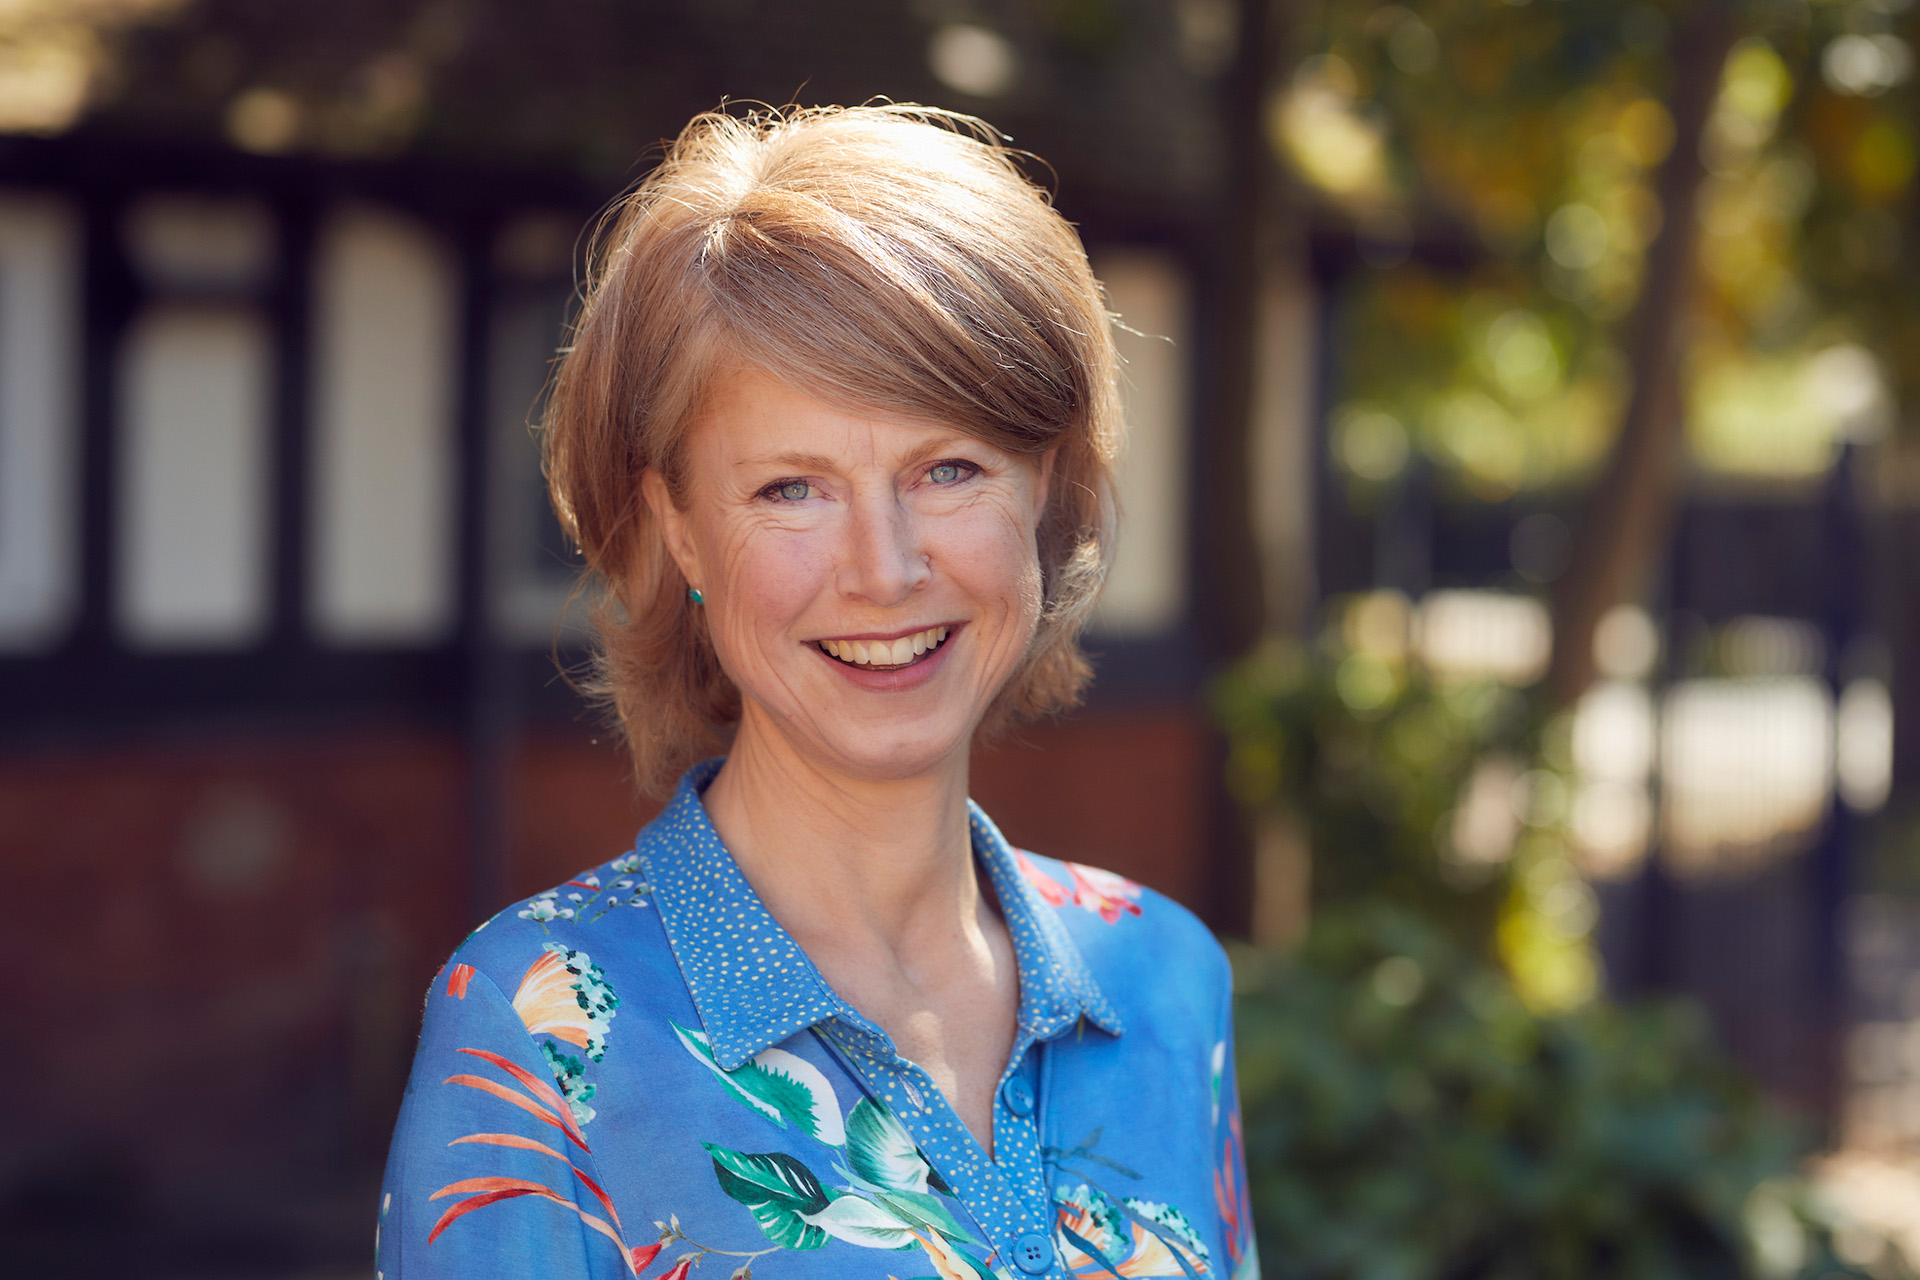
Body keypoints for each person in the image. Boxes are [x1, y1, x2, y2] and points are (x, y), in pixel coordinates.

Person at [377, 103, 1258, 1280]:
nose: (885, 567)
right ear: (678, 529)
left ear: (1043, 491)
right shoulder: (541, 1028)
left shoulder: (1165, 977)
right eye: (792, 488)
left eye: (949, 468)